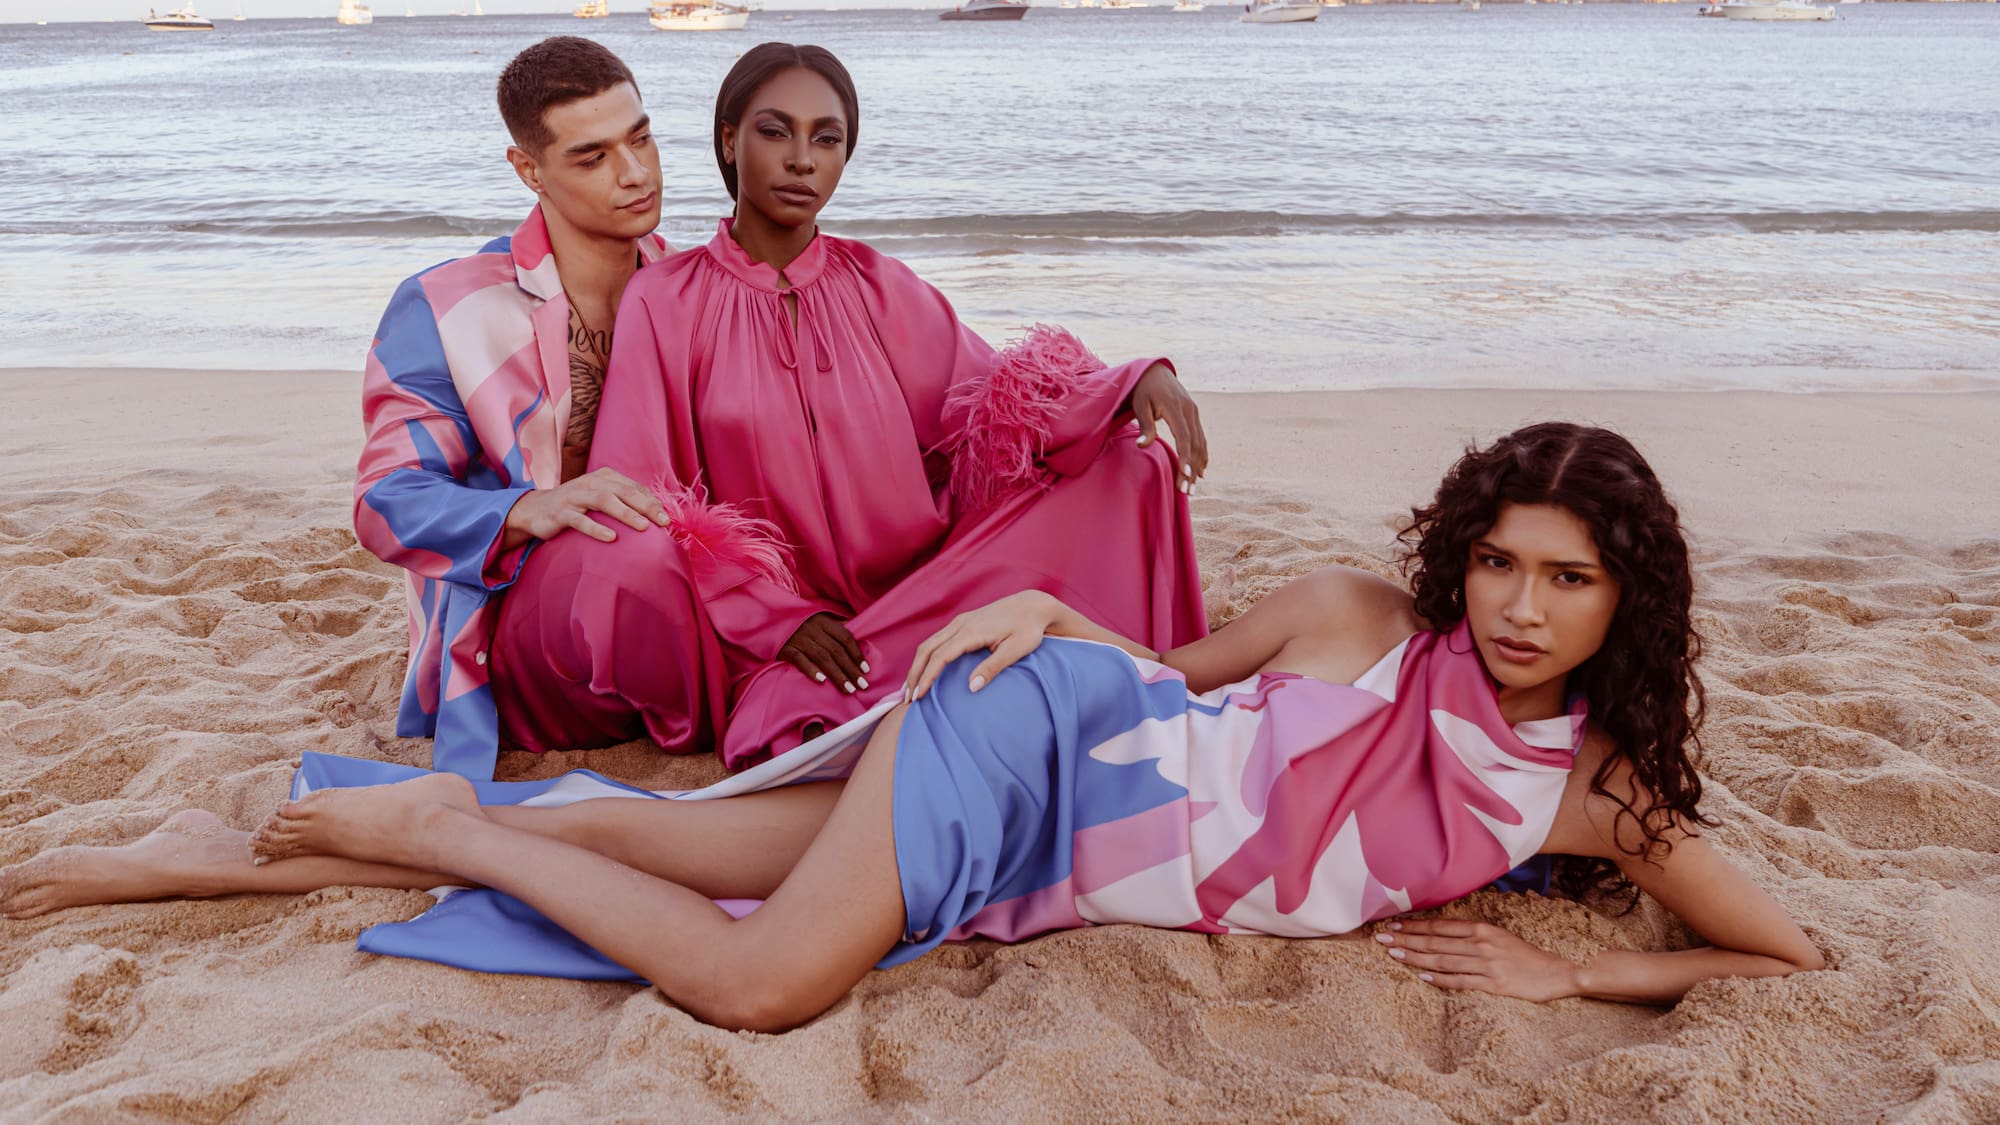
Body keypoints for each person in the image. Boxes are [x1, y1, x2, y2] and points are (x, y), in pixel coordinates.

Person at [0, 424, 1824, 1034]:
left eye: (1565, 581)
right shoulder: (1362, 616)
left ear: (1622, 601)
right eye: (1500, 561)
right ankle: (448, 828)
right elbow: (1162, 685)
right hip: (1025, 750)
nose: (1516, 608)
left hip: (1034, 853)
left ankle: (175, 867)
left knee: (640, 844)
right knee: (762, 988)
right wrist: (1048, 614)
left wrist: (1580, 985)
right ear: (1460, 554)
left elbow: (1792, 960)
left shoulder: (1596, 798)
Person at [573, 42, 1210, 770]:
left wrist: (1131, 380)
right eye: (775, 131)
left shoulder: (880, 283)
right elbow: (646, 494)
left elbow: (1002, 409)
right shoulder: (667, 299)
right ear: (728, 139)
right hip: (793, 631)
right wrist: (774, 618)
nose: (802, 159)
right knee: (794, 716)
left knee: (1130, 464)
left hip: (926, 585)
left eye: (828, 138)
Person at [354, 38, 717, 778]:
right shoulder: (448, 306)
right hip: (518, 637)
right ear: (529, 170)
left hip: (677, 593)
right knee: (636, 556)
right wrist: (528, 510)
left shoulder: (690, 286)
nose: (635, 174)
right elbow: (385, 501)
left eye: (641, 137)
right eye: (592, 157)